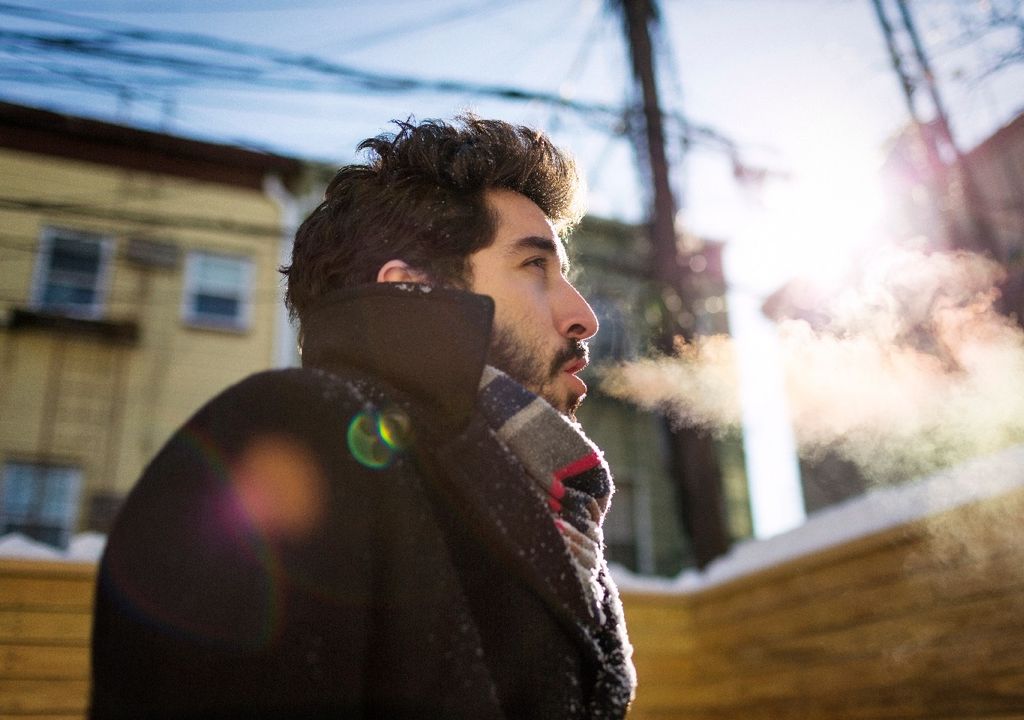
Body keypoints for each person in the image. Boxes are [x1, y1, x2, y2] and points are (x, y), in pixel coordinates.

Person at [90, 115, 636, 719]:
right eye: (535, 267)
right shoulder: (295, 432)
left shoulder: (552, 508)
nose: (584, 315)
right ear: (412, 291)